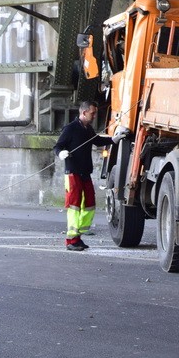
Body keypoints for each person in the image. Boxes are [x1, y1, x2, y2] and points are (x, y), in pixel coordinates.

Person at [54, 100, 113, 251]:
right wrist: (61, 153)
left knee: (89, 204)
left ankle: (78, 236)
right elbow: (58, 146)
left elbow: (97, 141)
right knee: (74, 206)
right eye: (92, 113)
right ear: (84, 112)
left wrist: (114, 140)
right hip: (73, 173)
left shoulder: (87, 129)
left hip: (85, 172)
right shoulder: (71, 128)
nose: (94, 116)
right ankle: (71, 240)